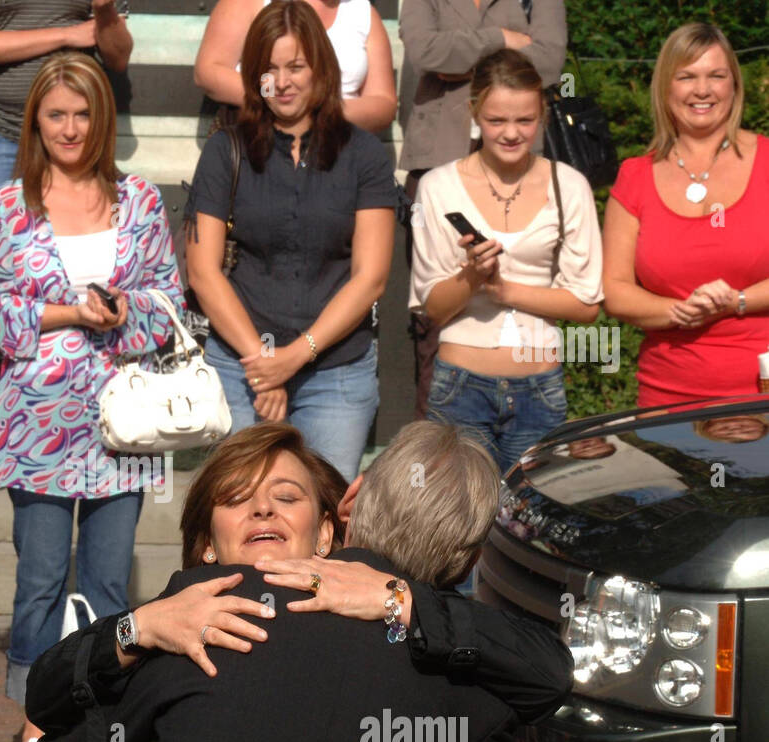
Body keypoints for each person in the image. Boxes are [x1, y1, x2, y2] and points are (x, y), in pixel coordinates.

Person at [20, 421, 579, 742]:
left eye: (287, 497)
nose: (263, 508)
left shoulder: (200, 625)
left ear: (337, 520)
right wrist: (138, 627)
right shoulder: (192, 619)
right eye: (237, 499)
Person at [0, 51, 183, 742]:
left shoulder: (142, 203)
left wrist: (125, 312)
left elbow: (168, 301)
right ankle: (35, 718)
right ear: (35, 121)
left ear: (102, 120)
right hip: (37, 424)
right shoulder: (7, 204)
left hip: (124, 421)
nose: (68, 127)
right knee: (40, 578)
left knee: (109, 584)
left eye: (81, 113)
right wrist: (66, 312)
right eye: (54, 114)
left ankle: (96, 713)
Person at [187, 0, 398, 483]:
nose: (281, 82)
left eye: (296, 67)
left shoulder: (363, 153)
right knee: (238, 516)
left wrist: (293, 357)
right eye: (269, 68)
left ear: (320, 67)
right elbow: (203, 270)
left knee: (321, 519)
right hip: (240, 368)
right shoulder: (226, 149)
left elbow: (371, 278)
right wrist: (263, 364)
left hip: (335, 373)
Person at [0, 0, 133, 480]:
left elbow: (117, 54)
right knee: (2, 286)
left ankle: (95, 425)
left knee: (84, 277)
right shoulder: (68, 34)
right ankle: (4, 434)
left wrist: (106, 18)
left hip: (79, 133)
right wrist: (71, 34)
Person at [411, 49, 603, 475]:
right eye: (497, 120)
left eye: (525, 120)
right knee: (456, 528)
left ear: (543, 115)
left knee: (532, 524)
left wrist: (504, 290)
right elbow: (434, 308)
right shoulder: (436, 186)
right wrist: (473, 276)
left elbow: (586, 305)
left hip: (541, 388)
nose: (512, 133)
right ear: (474, 113)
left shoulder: (569, 185)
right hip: (460, 386)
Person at [398, 0, 568, 419]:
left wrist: (461, 56)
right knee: (434, 324)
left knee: (522, 307)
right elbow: (424, 53)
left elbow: (547, 63)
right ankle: (438, 466)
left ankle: (518, 457)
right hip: (437, 165)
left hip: (520, 175)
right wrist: (501, 41)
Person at [603, 23, 769, 406]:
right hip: (666, 400)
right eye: (686, 76)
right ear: (666, 87)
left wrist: (736, 301)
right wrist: (680, 311)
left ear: (734, 85)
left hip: (761, 395)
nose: (702, 90)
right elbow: (615, 290)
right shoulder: (635, 175)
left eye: (716, 75)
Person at [194, 0, 397, 134]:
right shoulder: (249, 2)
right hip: (260, 141)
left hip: (336, 150)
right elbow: (209, 70)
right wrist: (278, 98)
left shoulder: (362, 12)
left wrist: (322, 109)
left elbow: (384, 102)